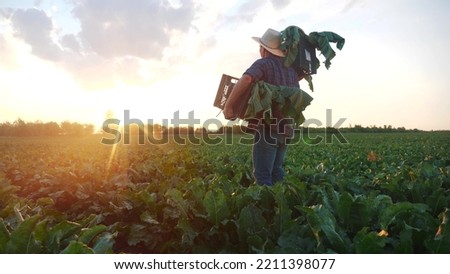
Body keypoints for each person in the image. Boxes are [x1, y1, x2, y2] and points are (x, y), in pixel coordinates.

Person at [224, 28, 300, 186]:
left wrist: (229, 106)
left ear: (264, 49)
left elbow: (246, 79)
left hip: (269, 128)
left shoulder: (264, 64)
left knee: (263, 176)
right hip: (286, 130)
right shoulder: (291, 71)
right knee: (276, 170)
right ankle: (280, 205)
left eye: (260, 47)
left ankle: (267, 209)